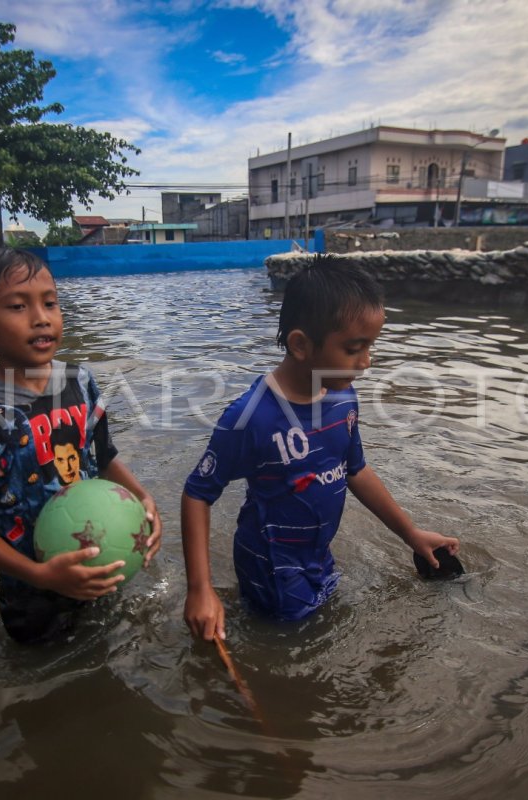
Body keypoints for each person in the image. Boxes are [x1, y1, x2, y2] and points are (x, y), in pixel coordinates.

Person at [181, 257, 461, 640]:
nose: (366, 362)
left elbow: (355, 471)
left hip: (317, 555)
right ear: (301, 344)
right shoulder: (251, 417)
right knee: (290, 644)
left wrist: (410, 533)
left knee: (324, 628)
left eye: (370, 347)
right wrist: (200, 590)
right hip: (272, 566)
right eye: (353, 349)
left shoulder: (343, 397)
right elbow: (198, 493)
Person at [0, 247, 162, 644]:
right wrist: (41, 575)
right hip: (30, 589)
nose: (41, 317)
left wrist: (144, 498)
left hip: (100, 556)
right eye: (16, 306)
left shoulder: (81, 383)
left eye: (50, 303)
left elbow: (104, 458)